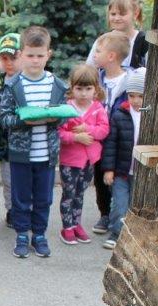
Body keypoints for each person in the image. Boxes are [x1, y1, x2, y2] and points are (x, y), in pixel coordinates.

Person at [0, 26, 68, 259]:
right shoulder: (13, 86)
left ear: (48, 54)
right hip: (21, 155)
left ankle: (39, 235)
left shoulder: (57, 85)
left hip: (46, 155)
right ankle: (21, 234)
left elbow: (63, 115)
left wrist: (54, 118)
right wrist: (23, 121)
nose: (35, 60)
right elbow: (4, 118)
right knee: (21, 197)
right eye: (30, 55)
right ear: (21, 54)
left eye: (40, 55)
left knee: (43, 198)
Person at [58, 64, 109, 246]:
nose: (83, 93)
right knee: (69, 193)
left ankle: (76, 223)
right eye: (79, 88)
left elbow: (104, 130)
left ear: (95, 89)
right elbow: (59, 133)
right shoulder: (66, 109)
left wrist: (88, 129)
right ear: (72, 88)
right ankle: (67, 227)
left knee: (80, 193)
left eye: (88, 89)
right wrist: (75, 137)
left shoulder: (97, 108)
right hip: (70, 160)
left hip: (89, 161)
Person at [90, 30, 133, 235]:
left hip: (119, 138)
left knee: (117, 176)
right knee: (100, 177)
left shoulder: (130, 81)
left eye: (98, 51)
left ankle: (121, 215)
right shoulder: (96, 79)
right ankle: (105, 214)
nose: (94, 54)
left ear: (111, 56)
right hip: (99, 138)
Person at [102, 68, 144, 250]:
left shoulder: (151, 116)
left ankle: (133, 236)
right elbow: (110, 144)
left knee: (136, 205)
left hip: (141, 173)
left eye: (140, 96)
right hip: (121, 172)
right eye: (131, 95)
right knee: (120, 204)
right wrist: (109, 169)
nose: (135, 100)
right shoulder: (120, 114)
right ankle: (116, 233)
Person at [0, 32, 21, 231]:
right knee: (8, 180)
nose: (9, 63)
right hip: (4, 143)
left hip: (25, 142)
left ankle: (25, 209)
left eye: (13, 58)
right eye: (4, 58)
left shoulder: (27, 80)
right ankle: (12, 210)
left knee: (24, 181)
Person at [85, 0, 148, 70]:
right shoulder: (102, 41)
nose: (117, 18)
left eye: (122, 14)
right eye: (113, 14)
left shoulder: (144, 42)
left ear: (135, 14)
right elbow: (89, 71)